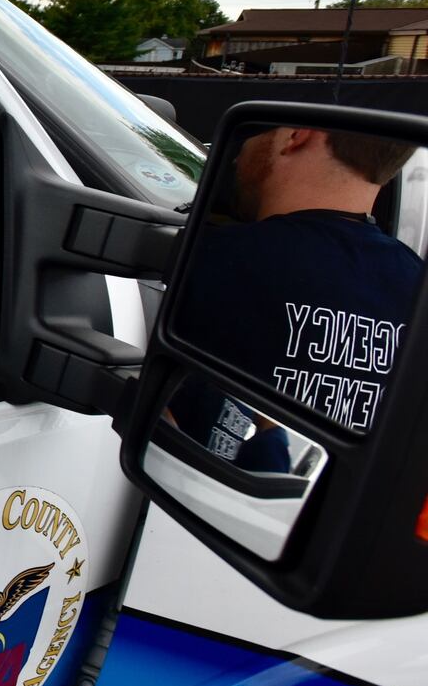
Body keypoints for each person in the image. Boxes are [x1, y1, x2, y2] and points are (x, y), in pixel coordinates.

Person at [170, 126, 421, 455]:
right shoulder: (417, 283)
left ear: (298, 134)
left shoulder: (209, 257)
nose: (235, 156)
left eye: (252, 132)